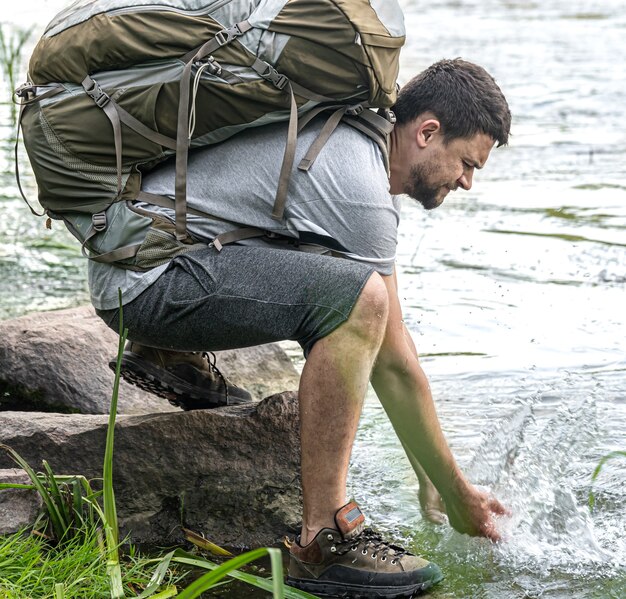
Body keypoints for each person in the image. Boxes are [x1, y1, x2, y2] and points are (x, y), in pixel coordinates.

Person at [92, 58, 512, 598]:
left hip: (136, 261)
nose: (468, 182)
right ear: (428, 132)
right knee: (361, 301)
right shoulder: (360, 188)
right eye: (466, 163)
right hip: (148, 287)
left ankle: (167, 353)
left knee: (343, 284)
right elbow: (391, 358)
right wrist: (458, 492)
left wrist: (426, 474)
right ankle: (326, 537)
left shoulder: (346, 132)